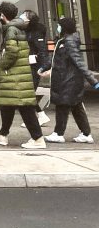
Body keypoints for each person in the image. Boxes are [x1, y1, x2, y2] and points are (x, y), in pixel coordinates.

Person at [0, 2, 46, 149]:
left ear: (2, 15)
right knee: (8, 104)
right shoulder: (18, 28)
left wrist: (3, 65)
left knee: (25, 107)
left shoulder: (11, 29)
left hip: (14, 74)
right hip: (17, 73)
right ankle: (2, 134)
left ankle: (38, 138)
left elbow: (12, 52)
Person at [43, 16, 98, 144]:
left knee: (62, 106)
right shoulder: (63, 41)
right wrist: (44, 67)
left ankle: (58, 133)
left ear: (64, 27)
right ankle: (86, 133)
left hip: (67, 81)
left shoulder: (69, 42)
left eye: (59, 25)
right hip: (70, 80)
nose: (57, 27)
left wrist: (93, 81)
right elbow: (55, 58)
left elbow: (79, 62)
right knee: (76, 107)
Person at [21, 10, 51, 127]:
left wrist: (44, 67)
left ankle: (38, 117)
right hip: (29, 65)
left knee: (28, 93)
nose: (21, 17)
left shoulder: (36, 33)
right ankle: (40, 115)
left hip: (35, 67)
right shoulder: (27, 31)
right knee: (28, 93)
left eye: (24, 16)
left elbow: (42, 50)